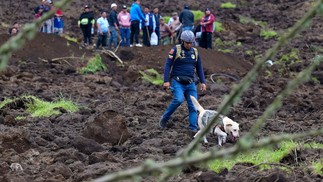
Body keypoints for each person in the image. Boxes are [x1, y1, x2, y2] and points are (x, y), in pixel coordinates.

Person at [159, 30, 206, 132]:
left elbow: (199, 68)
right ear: (183, 41)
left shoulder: (195, 52)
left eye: (191, 43)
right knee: (178, 100)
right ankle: (164, 118)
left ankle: (193, 128)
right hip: (178, 81)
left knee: (193, 105)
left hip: (190, 83)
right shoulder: (176, 49)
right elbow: (168, 65)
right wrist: (166, 80)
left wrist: (203, 82)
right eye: (187, 43)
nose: (189, 45)